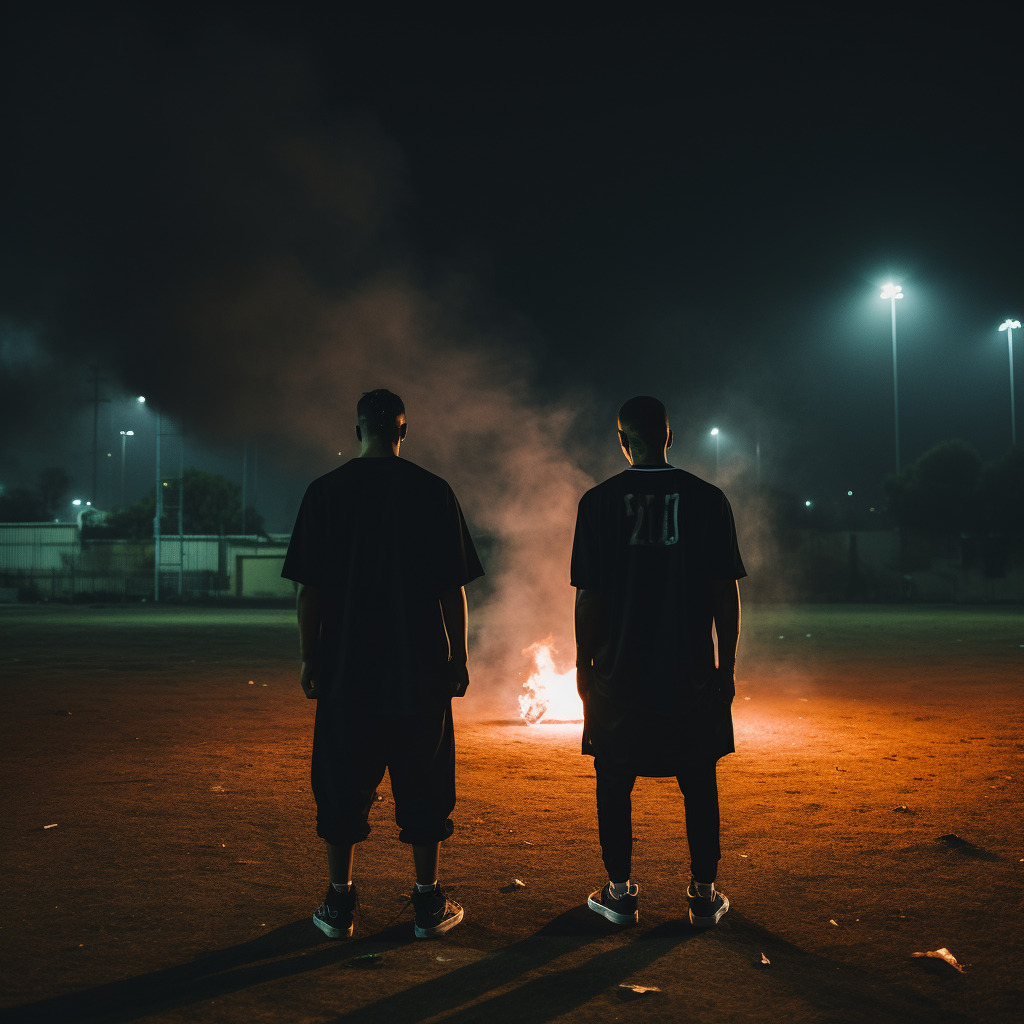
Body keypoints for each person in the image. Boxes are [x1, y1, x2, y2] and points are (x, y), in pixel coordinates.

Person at [282, 389, 484, 940]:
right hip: (418, 668)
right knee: (424, 782)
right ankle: (426, 904)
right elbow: (452, 591)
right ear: (403, 430)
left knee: (342, 779)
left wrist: (309, 658)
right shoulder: (432, 490)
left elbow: (309, 592)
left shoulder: (324, 492)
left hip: (347, 669)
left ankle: (339, 903)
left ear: (357, 431)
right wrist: (458, 657)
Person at [570, 395, 746, 927]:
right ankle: (703, 894)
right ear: (671, 436)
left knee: (613, 779)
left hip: (619, 675)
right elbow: (725, 593)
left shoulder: (597, 502)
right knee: (699, 779)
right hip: (689, 673)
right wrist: (727, 667)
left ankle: (620, 893)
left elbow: (588, 596)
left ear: (622, 441)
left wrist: (583, 664)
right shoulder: (708, 498)